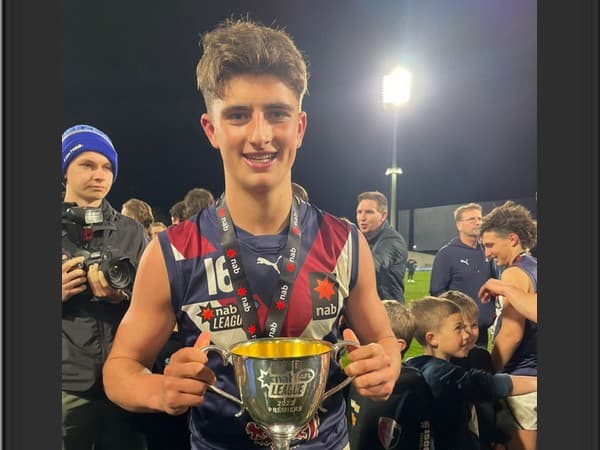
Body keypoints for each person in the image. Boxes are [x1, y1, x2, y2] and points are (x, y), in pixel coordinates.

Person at [103, 18, 401, 450]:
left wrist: (385, 365)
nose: (261, 136)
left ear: (299, 126)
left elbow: (384, 340)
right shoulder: (171, 250)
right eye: (239, 115)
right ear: (212, 129)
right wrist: (158, 391)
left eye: (277, 114)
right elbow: (119, 368)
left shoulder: (345, 241)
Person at [61, 124, 148, 450]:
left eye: (107, 166)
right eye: (87, 164)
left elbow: (158, 305)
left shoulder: (132, 231)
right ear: (65, 170)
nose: (100, 174)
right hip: (67, 384)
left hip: (124, 379)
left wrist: (122, 296)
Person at [405, 297, 537, 450]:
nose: (466, 335)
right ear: (432, 338)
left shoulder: (415, 365)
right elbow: (489, 384)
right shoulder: (440, 374)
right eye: (458, 328)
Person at [480, 201, 538, 450]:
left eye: (490, 245)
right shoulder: (535, 265)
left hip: (521, 378)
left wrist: (489, 374)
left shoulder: (513, 274)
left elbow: (512, 335)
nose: (487, 253)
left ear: (512, 239)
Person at [347, 300, 435, 450]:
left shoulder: (412, 384)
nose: (361, 340)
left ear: (398, 345)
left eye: (371, 337)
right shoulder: (353, 375)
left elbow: (424, 434)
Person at [440, 290, 508, 450]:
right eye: (460, 327)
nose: (469, 332)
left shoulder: (480, 356)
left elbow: (489, 403)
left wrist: (496, 437)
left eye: (474, 325)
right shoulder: (438, 364)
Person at [430, 203, 498, 347]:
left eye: (480, 218)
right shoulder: (447, 253)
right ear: (459, 225)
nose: (478, 222)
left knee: (481, 366)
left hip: (482, 330)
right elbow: (437, 291)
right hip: (459, 332)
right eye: (472, 219)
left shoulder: (487, 251)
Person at [356, 191, 409, 303]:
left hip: (389, 312)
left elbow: (372, 265)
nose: (362, 217)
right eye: (359, 212)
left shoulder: (392, 240)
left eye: (369, 212)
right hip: (367, 308)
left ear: (383, 216)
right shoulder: (361, 238)